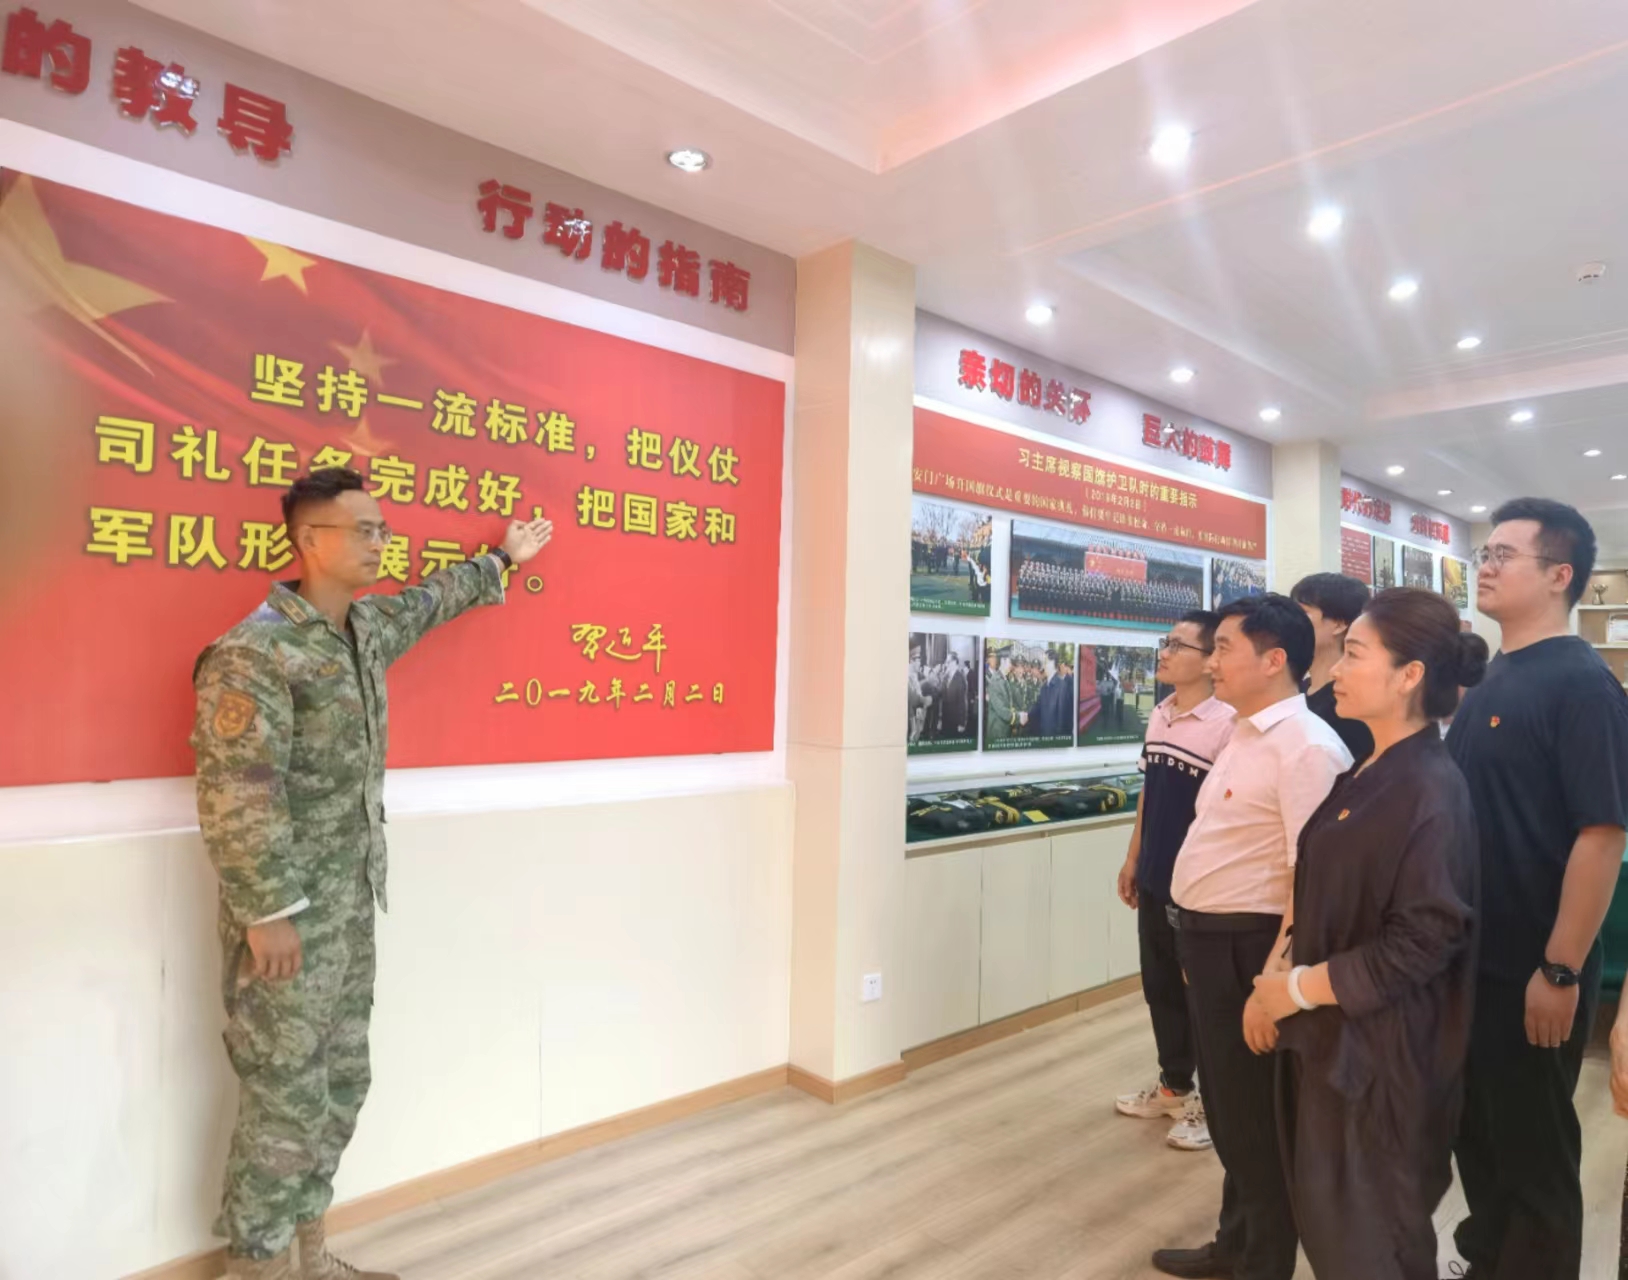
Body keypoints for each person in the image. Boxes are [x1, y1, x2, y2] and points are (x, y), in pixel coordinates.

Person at [193, 468, 553, 1280]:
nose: (381, 542)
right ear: (310, 540)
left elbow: (431, 600)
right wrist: (266, 910)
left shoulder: (362, 629)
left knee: (339, 1083)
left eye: (383, 529)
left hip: (350, 908)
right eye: (365, 530)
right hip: (286, 921)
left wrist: (502, 561)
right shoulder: (255, 652)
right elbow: (237, 791)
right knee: (281, 1099)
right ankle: (252, 1267)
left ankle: (311, 1260)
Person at [1248, 589, 1486, 1280]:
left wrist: (1292, 988)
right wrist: (1280, 984)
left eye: (1354, 653)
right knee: (1333, 1231)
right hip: (1333, 1043)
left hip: (1384, 1062)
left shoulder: (1430, 792)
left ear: (1410, 675)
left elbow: (1423, 939)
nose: (1336, 670)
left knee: (1372, 1242)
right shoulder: (1370, 769)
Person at [1446, 498, 1628, 1280]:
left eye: (1505, 554)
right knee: (1478, 1136)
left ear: (1560, 576)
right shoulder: (1491, 680)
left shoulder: (1583, 685)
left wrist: (1559, 969)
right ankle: (1487, 1262)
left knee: (1534, 1151)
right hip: (1471, 960)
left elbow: (1603, 835)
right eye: (1485, 551)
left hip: (1533, 967)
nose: (1484, 564)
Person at [1153, 594, 1351, 1280]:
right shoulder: (1243, 732)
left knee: (1258, 1123)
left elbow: (1313, 877)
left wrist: (1273, 982)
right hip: (1209, 942)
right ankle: (1234, 1244)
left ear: (1274, 661)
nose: (1212, 663)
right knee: (1233, 1112)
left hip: (1254, 948)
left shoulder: (1308, 747)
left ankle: (1261, 1263)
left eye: (1225, 649)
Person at [1116, 611, 1235, 1152]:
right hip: (1157, 876)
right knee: (1159, 985)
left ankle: (1211, 1102)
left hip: (1199, 888)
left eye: (1177, 646)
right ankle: (1173, 1083)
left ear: (1211, 660)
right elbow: (1150, 796)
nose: (1163, 653)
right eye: (1164, 642)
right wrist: (1133, 857)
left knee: (1202, 997)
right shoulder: (1161, 713)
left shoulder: (1229, 724)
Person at [1290, 572, 1375, 764]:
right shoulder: (1297, 689)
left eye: (1303, 613)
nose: (1291, 621)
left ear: (1338, 624)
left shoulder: (1350, 702)